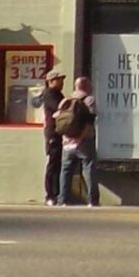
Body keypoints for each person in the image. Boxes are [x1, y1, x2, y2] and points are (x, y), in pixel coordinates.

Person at [54, 75, 100, 208]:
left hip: (67, 141)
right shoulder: (89, 100)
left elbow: (57, 119)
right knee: (89, 169)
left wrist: (66, 138)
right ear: (86, 86)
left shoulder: (65, 101)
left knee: (65, 170)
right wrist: (80, 138)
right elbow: (89, 122)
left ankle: (63, 199)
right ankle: (92, 200)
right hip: (84, 141)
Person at [38, 67, 67, 205]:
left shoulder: (58, 94)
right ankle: (49, 195)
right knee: (53, 164)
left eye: (62, 80)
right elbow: (59, 108)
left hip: (59, 133)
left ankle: (57, 193)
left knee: (58, 164)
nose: (62, 82)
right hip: (52, 134)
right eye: (59, 80)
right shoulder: (49, 94)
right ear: (50, 81)